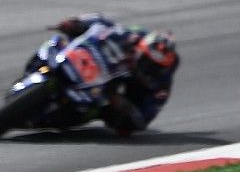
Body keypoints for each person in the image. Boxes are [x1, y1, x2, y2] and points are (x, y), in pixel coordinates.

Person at [28, 13, 179, 135]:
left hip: (109, 92)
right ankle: (35, 70)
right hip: (93, 64)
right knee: (57, 42)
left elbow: (145, 117)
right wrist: (74, 23)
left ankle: (67, 114)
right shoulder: (131, 35)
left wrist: (123, 106)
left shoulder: (161, 83)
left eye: (154, 66)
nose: (148, 67)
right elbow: (101, 22)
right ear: (140, 49)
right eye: (146, 61)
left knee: (109, 115)